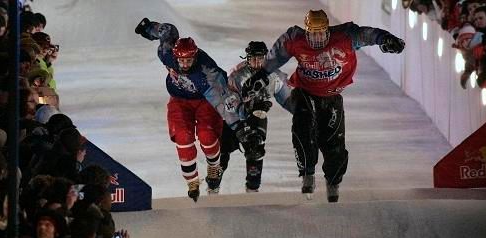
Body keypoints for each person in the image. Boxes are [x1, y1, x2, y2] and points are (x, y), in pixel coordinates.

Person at [242, 9, 405, 202]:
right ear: (306, 31)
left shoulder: (344, 36)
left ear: (328, 31)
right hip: (305, 92)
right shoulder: (295, 39)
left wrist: (385, 39)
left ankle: (333, 181)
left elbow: (366, 34)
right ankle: (307, 173)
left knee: (334, 141)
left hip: (332, 96)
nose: (317, 38)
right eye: (313, 33)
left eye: (321, 32)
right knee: (303, 129)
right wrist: (260, 75)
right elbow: (275, 55)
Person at [135, 18, 245, 201]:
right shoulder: (166, 52)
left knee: (207, 135)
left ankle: (214, 165)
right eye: (181, 61)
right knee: (182, 136)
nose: (185, 65)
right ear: (175, 56)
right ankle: (192, 182)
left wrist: (239, 125)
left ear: (195, 57)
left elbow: (223, 96)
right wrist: (149, 29)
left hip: (205, 100)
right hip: (179, 101)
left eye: (189, 61)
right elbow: (166, 31)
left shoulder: (207, 69)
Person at [221, 41, 293, 192]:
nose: (257, 62)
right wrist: (244, 109)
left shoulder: (276, 76)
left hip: (256, 116)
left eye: (260, 58)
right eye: (253, 58)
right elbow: (228, 104)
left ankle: (253, 189)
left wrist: (303, 113)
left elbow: (289, 100)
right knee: (222, 153)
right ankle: (214, 185)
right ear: (247, 58)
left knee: (256, 146)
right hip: (234, 119)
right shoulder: (236, 75)